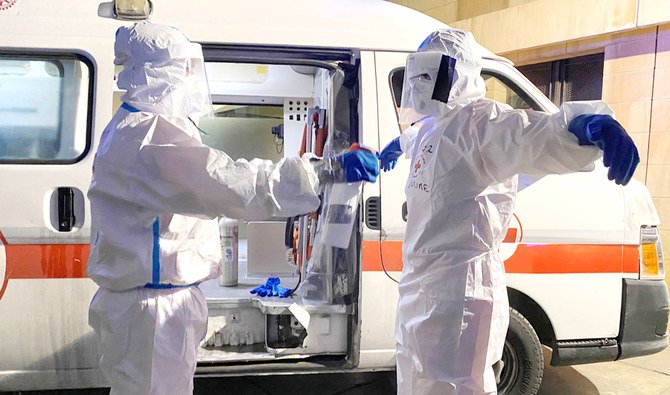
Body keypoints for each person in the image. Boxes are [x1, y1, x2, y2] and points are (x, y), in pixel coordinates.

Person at [87, 21, 378, 395]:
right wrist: (326, 171)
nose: (191, 81)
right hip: (152, 313)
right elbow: (231, 184)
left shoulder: (137, 129)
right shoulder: (148, 137)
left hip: (152, 308)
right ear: (160, 72)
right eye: (184, 70)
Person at [378, 28, 638, 394]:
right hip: (421, 287)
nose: (420, 81)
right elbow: (432, 142)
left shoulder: (481, 122)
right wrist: (401, 143)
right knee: (417, 381)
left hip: (461, 292)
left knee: (458, 386)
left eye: (428, 71)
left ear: (455, 72)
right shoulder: (432, 128)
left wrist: (583, 127)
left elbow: (533, 134)